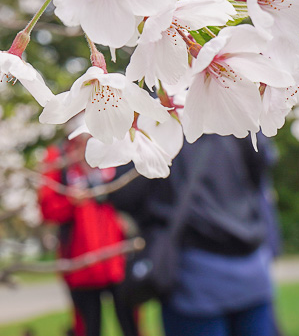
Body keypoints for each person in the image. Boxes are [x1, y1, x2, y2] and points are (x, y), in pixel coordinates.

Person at [109, 134, 276, 336]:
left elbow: (123, 196)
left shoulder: (155, 125)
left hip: (193, 275)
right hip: (250, 268)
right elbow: (259, 170)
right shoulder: (233, 121)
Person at [38, 133, 141, 336]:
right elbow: (47, 208)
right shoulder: (58, 155)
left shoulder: (117, 142)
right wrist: (73, 201)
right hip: (80, 262)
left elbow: (134, 193)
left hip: (119, 257)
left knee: (131, 325)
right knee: (88, 328)